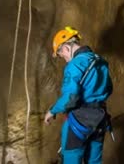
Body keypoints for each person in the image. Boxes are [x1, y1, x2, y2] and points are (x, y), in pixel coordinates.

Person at [45, 26, 113, 164]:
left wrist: (52, 111)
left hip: (80, 121)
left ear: (66, 48)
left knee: (71, 159)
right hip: (100, 119)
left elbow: (71, 98)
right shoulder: (100, 61)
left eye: (61, 55)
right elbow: (109, 89)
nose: (63, 58)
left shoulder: (74, 65)